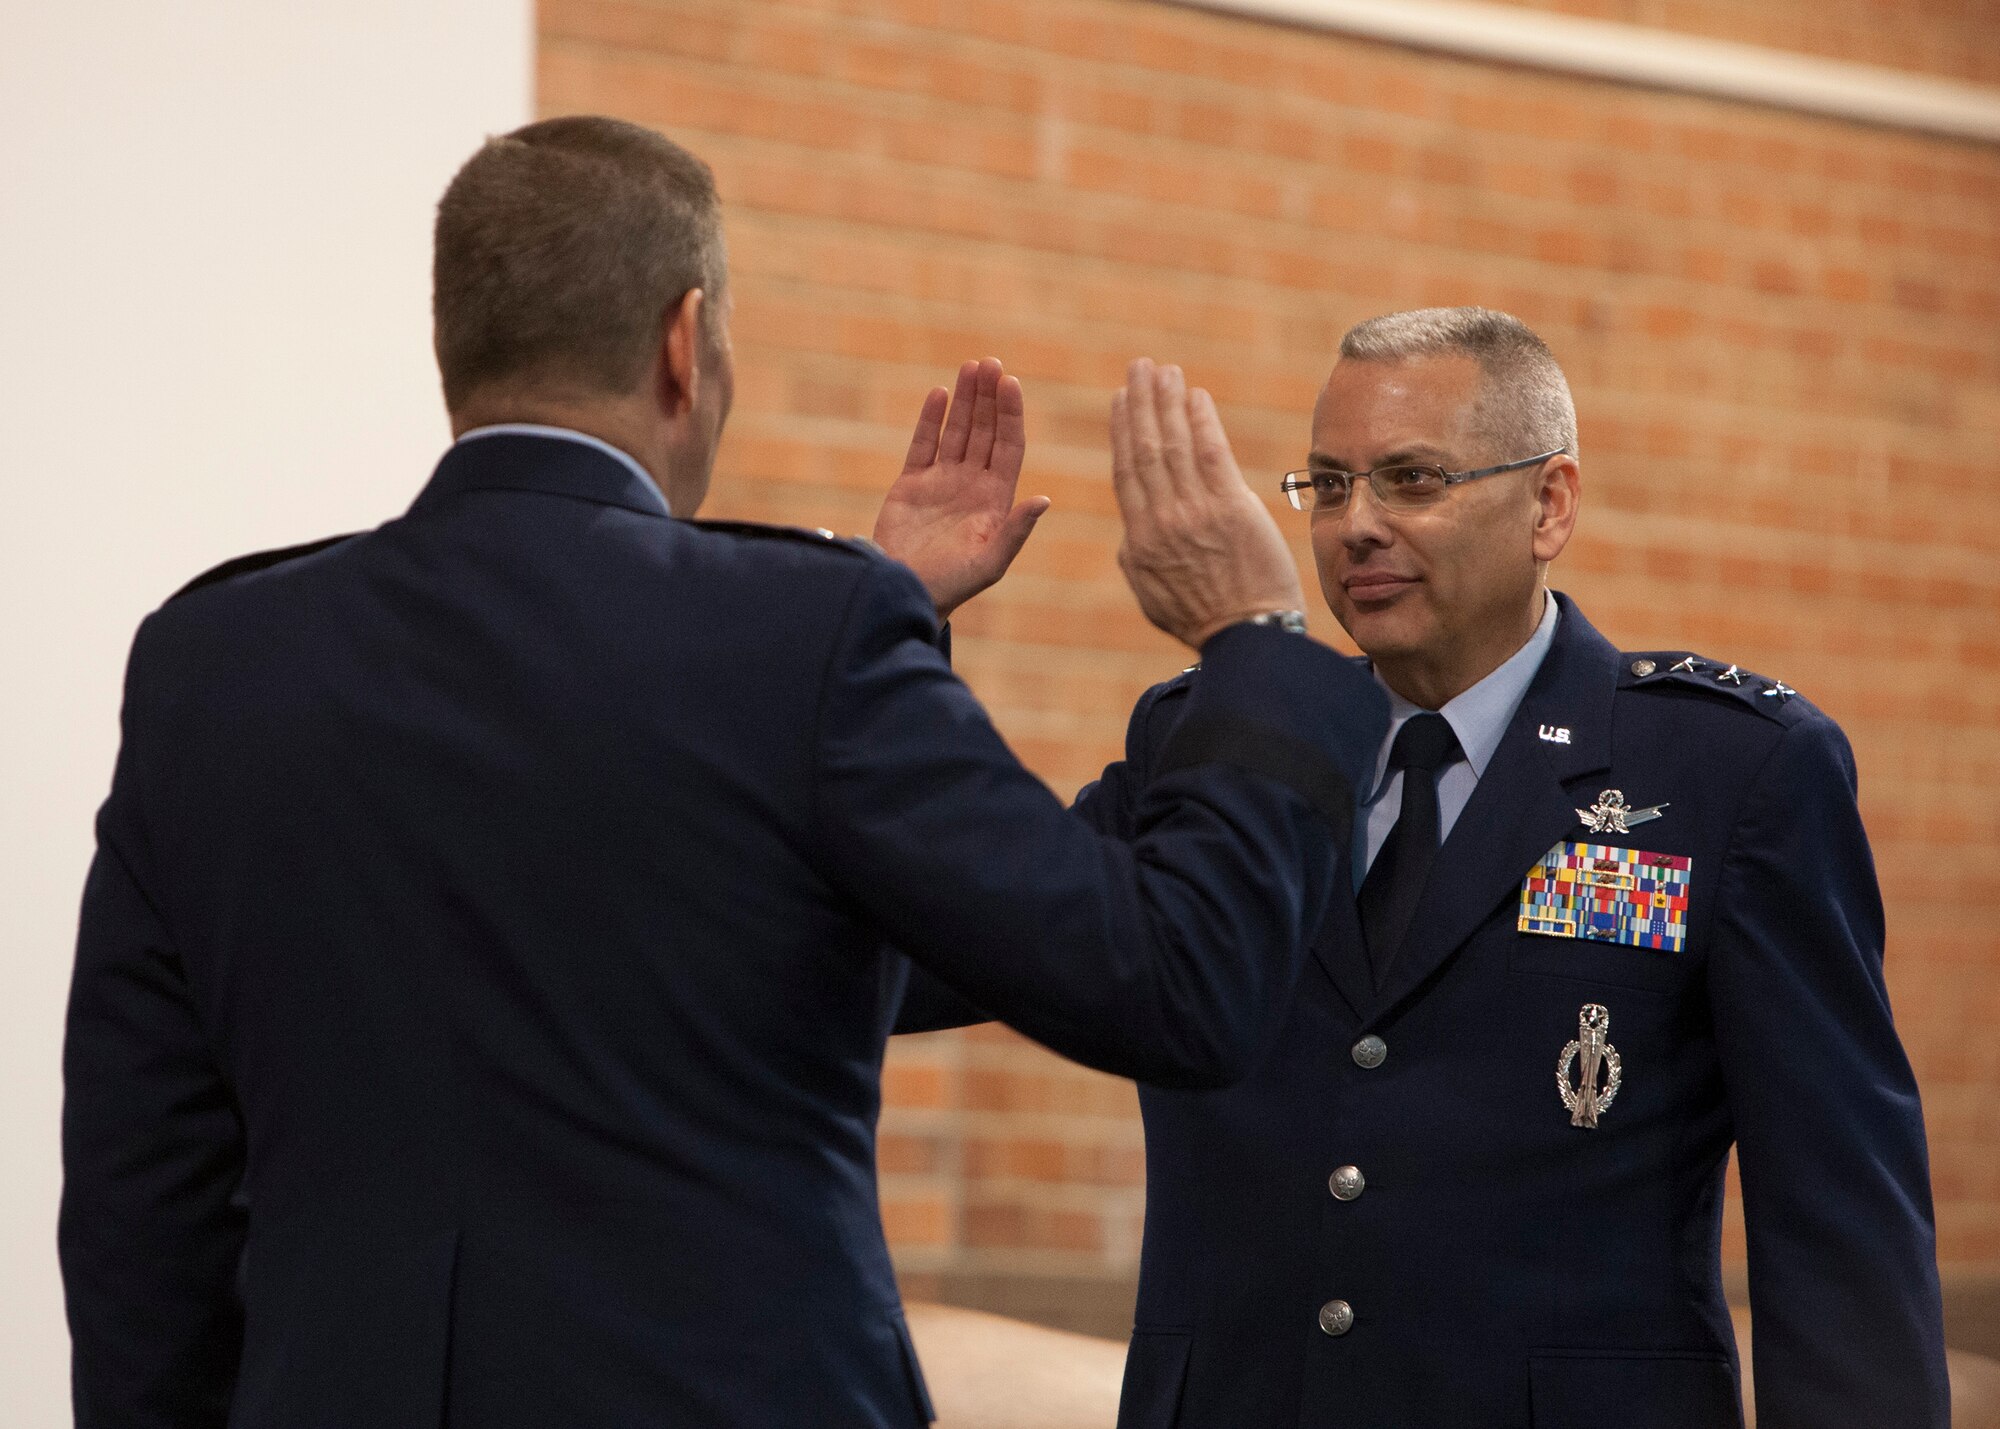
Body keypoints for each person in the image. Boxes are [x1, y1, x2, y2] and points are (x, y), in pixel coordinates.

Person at [58, 116, 1391, 1429]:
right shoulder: (802, 642)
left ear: (455, 347)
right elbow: (1179, 982)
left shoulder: (213, 662)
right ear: (685, 343)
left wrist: (860, 641)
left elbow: (144, 1203)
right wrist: (1253, 644)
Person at [900, 307, 1949, 1427]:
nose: (1355, 525)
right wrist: (893, 622)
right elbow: (929, 951)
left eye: (1409, 480)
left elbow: (1841, 1236)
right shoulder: (1216, 744)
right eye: (1326, 482)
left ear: (1549, 503)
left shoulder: (1726, 771)